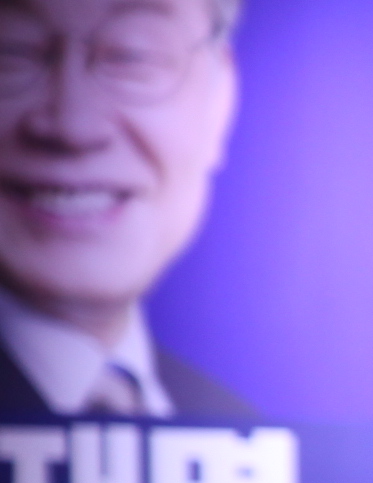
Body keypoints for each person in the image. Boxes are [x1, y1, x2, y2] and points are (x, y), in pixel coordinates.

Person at [0, 0, 246, 417]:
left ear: (219, 99)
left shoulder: (240, 429)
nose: (72, 125)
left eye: (133, 55)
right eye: (12, 52)